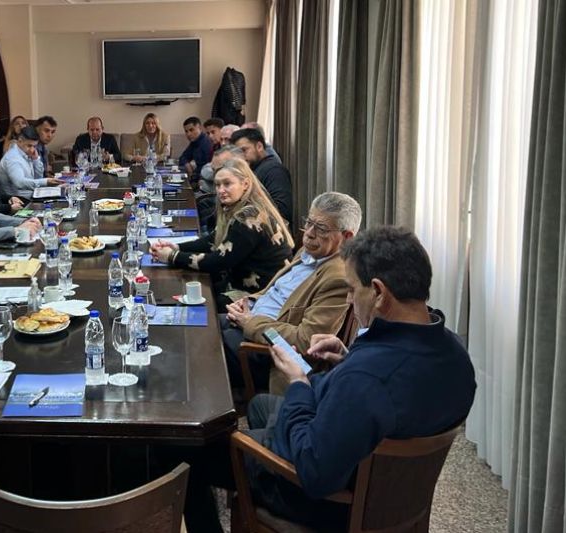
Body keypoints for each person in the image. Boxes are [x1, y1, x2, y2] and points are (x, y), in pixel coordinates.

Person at [182, 226, 476, 532]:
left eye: (352, 289)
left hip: (333, 501)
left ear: (378, 292)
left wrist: (298, 382)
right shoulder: (456, 354)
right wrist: (347, 359)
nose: (349, 298)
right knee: (260, 405)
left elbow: (314, 472)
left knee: (189, 454)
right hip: (393, 490)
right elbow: (392, 397)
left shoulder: (366, 378)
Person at [220, 192, 361, 392]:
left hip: (269, 352)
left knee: (207, 346)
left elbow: (305, 340)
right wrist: (249, 302)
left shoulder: (338, 278)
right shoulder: (311, 250)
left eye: (321, 228)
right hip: (252, 321)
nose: (309, 233)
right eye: (309, 222)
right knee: (202, 322)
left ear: (347, 237)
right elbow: (278, 290)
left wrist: (251, 322)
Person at [150, 158, 294, 309]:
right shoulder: (241, 207)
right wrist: (176, 247)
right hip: (243, 284)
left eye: (227, 184)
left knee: (198, 305)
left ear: (245, 184)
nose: (220, 190)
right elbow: (213, 240)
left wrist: (172, 256)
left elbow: (218, 262)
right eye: (217, 185)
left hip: (262, 296)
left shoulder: (248, 217)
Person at [232, 127, 292, 223]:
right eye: (238, 153)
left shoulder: (274, 170)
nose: (241, 156)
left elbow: (282, 210)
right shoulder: (254, 169)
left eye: (244, 150)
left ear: (259, 146)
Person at [0, 125, 64, 199]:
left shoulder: (26, 153)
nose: (32, 150)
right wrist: (45, 182)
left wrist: (36, 160)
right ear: (20, 140)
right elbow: (19, 183)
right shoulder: (12, 158)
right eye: (29, 146)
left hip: (32, 195)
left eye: (34, 146)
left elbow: (38, 177)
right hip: (20, 200)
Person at [178, 116, 214, 184]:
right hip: (197, 178)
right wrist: (187, 165)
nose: (188, 134)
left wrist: (193, 177)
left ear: (200, 128)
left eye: (191, 130)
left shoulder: (206, 143)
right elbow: (183, 157)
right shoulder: (194, 142)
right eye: (186, 131)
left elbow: (205, 170)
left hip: (205, 182)